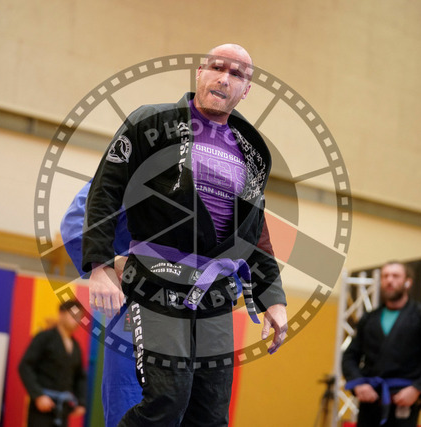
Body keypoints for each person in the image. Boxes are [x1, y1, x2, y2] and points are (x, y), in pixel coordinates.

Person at [82, 43, 288, 426]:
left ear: (246, 90)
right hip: (157, 275)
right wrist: (99, 265)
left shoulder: (251, 152)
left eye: (236, 75)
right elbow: (105, 190)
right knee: (167, 398)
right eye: (217, 67)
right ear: (199, 73)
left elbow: (253, 231)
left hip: (215, 289)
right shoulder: (151, 123)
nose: (224, 79)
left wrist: (272, 298)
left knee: (210, 413)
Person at [61, 180, 142, 427]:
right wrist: (107, 262)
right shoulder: (133, 169)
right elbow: (75, 223)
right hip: (135, 303)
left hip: (192, 313)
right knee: (128, 400)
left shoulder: (218, 176)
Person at [341, 261, 421, 427]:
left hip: (404, 401)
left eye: (395, 276)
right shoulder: (369, 319)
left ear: (408, 282)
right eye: (385, 276)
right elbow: (349, 356)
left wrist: (417, 389)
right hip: (370, 401)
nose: (389, 280)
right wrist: (358, 383)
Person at [19, 300, 87, 427]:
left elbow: (80, 377)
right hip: (41, 407)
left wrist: (81, 402)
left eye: (79, 317)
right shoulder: (44, 337)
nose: (76, 320)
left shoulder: (76, 346)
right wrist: (38, 395)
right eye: (73, 315)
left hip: (63, 408)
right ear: (61, 314)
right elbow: (25, 366)